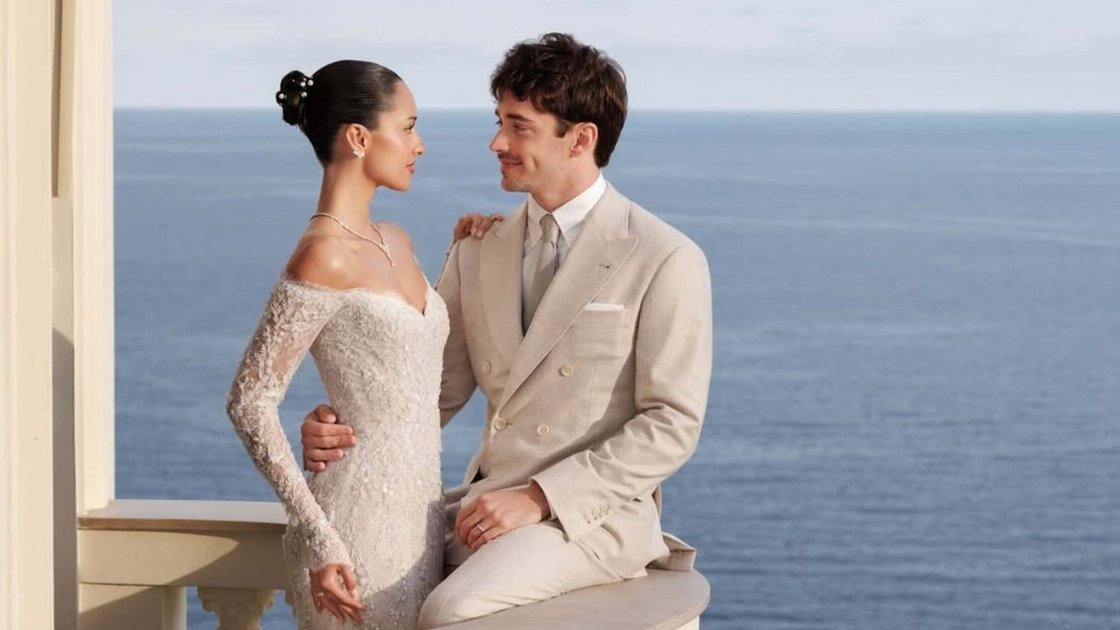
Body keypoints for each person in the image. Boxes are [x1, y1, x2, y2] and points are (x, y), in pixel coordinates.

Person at [301, 33, 713, 627]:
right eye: (499, 122)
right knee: (364, 582)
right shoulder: (479, 247)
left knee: (451, 611)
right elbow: (431, 391)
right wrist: (340, 429)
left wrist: (541, 496)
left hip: (588, 517)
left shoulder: (664, 256)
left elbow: (671, 424)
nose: (497, 142)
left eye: (518, 127)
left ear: (581, 139)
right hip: (483, 505)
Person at [226, 60, 498, 629]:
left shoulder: (395, 240)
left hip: (421, 521)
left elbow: (408, 359)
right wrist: (318, 536)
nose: (419, 145)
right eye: (408, 127)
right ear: (358, 137)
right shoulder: (322, 255)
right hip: (353, 531)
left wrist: (466, 253)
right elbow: (249, 401)